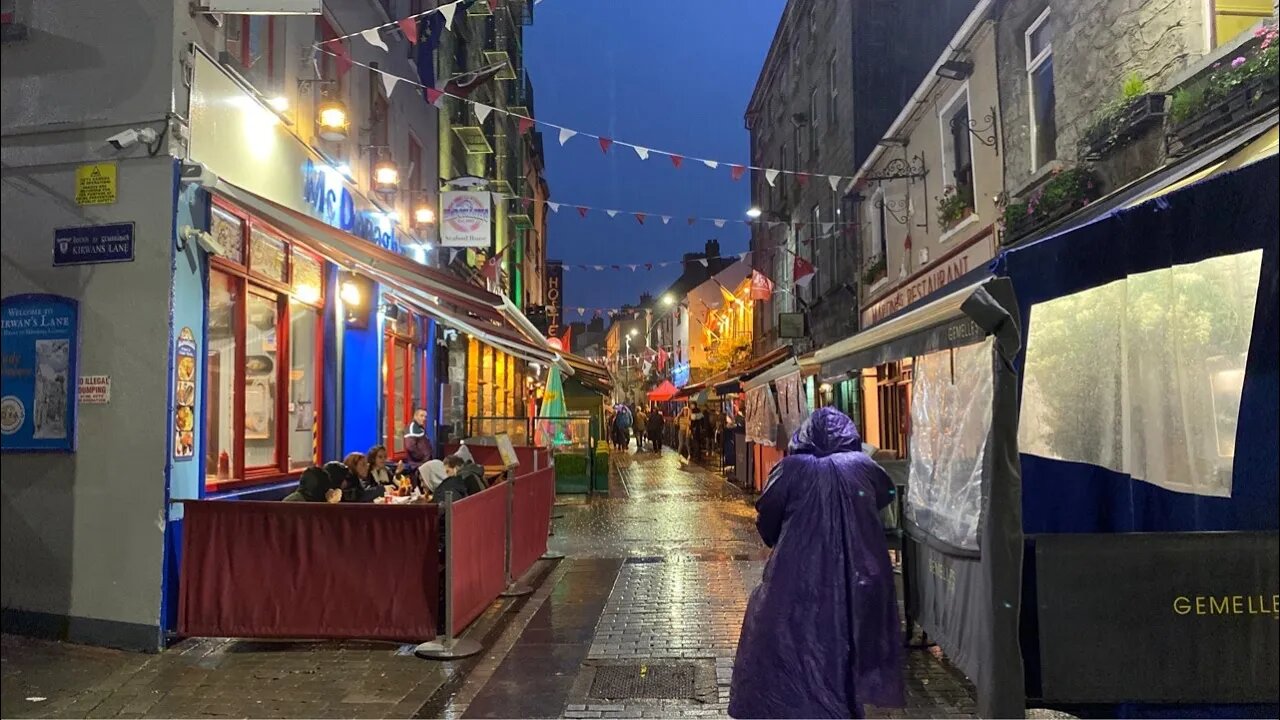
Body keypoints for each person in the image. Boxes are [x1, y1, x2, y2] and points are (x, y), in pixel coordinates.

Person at [728, 407, 905, 719]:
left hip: (795, 572)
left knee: (796, 638)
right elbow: (886, 492)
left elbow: (768, 515)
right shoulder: (863, 466)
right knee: (844, 640)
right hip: (857, 572)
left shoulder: (791, 469)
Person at [403, 408, 432, 473]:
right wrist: (422, 457)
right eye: (421, 416)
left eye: (425, 416)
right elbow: (410, 446)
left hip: (423, 464)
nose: (424, 418)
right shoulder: (412, 428)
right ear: (415, 416)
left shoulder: (420, 427)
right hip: (417, 466)